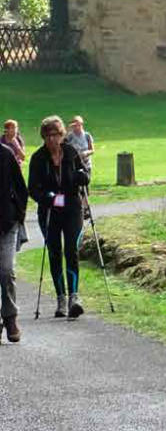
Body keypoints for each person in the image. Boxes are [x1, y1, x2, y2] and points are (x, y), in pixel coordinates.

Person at [28, 115, 89, 320]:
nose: (52, 140)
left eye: (56, 135)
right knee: (55, 252)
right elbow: (33, 189)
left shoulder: (71, 152)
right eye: (48, 136)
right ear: (44, 137)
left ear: (62, 135)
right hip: (49, 211)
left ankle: (74, 298)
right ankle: (60, 298)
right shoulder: (38, 158)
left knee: (71, 249)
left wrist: (83, 176)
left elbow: (85, 175)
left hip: (72, 207)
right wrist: (47, 198)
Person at [0, 140, 28, 342]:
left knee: (7, 270)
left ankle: (10, 317)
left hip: (7, 224)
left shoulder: (6, 154)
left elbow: (21, 188)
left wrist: (18, 215)